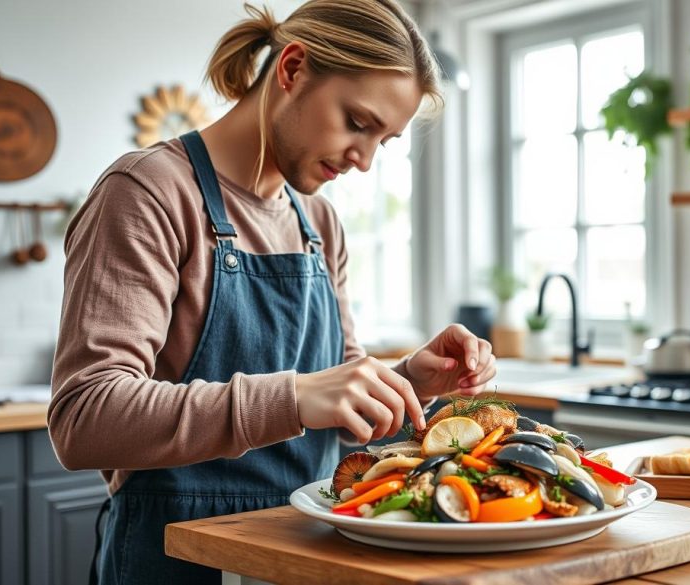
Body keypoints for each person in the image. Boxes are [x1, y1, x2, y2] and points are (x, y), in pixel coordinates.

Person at [48, 1, 496, 583]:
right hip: (179, 554)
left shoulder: (319, 221)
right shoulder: (150, 193)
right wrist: (294, 397)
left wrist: (407, 379)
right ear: (291, 70)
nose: (363, 161)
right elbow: (85, 417)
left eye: (383, 141)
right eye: (357, 122)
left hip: (311, 541)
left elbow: (330, 391)